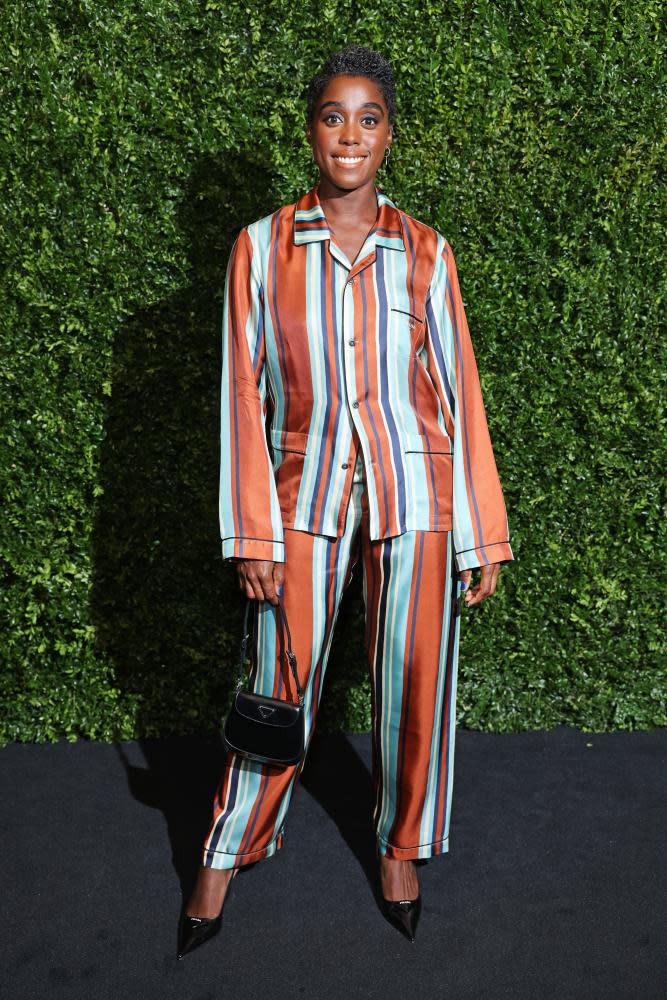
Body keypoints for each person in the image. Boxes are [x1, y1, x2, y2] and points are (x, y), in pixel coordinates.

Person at [178, 43, 513, 959]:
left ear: (389, 135)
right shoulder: (260, 248)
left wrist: (480, 532)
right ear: (311, 129)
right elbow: (240, 399)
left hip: (415, 496)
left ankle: (401, 846)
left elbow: (458, 390)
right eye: (333, 116)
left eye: (368, 118)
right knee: (274, 679)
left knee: (416, 684)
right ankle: (226, 846)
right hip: (299, 497)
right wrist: (250, 530)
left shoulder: (426, 252)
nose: (350, 135)